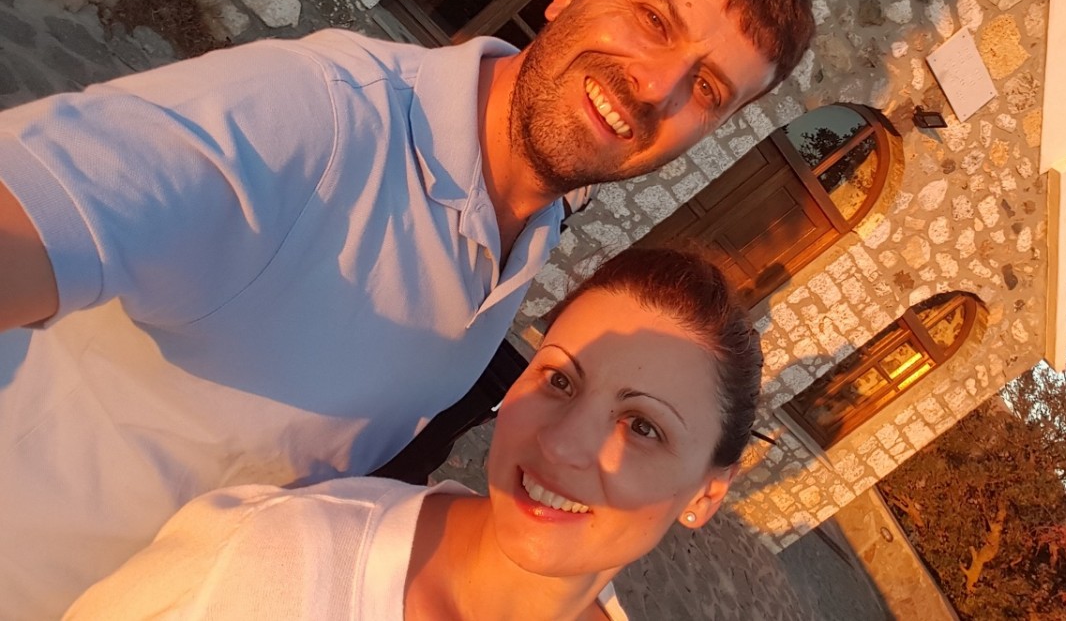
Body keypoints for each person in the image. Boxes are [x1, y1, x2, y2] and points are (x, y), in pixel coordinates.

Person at [0, 0, 811, 618]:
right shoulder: (319, 116)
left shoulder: (530, 230)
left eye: (708, 89)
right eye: (654, 19)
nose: (656, 88)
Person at [64, 248, 762, 621]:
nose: (561, 445)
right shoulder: (272, 566)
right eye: (559, 380)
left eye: (642, 427)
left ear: (707, 493)